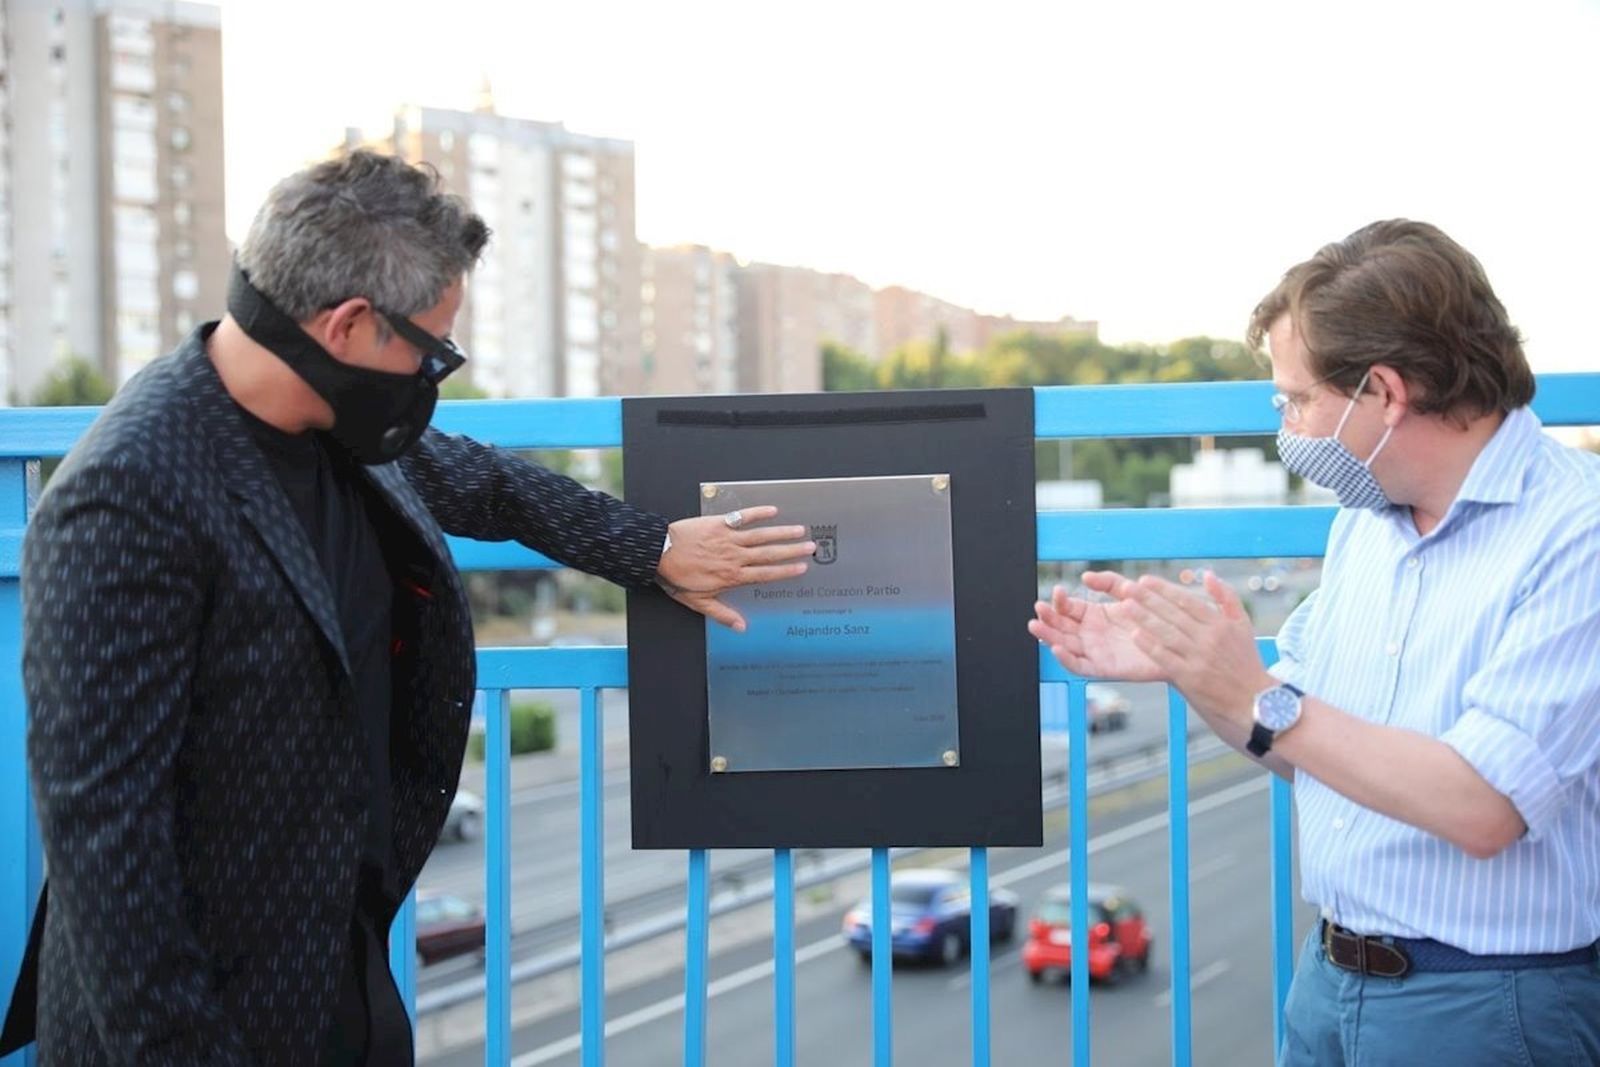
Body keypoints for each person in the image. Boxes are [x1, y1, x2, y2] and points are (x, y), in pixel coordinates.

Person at [0, 149, 814, 1065]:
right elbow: (105, 849)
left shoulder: (336, 425)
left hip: (338, 972)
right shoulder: (124, 497)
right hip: (202, 1017)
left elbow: (498, 489)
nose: (435, 375)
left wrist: (657, 550)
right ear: (348, 325)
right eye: (431, 348)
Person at [1031, 220, 1600, 1065]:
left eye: (1296, 400)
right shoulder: (1364, 524)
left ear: (1384, 391)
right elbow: (1297, 741)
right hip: (1330, 980)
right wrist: (1194, 671)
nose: (1285, 426)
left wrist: (1255, 693)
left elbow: (1485, 804)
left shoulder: (1576, 531)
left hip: (1488, 1004)